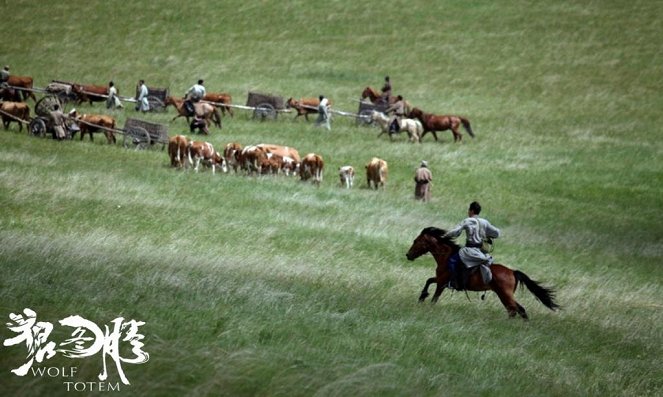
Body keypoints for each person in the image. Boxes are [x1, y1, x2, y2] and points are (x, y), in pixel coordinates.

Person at [443, 201, 501, 290]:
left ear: (472, 211)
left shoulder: (467, 221)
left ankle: (454, 282)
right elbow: (497, 233)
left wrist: (445, 236)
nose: (468, 212)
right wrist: (487, 235)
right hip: (481, 251)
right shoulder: (484, 222)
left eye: (469, 210)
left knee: (452, 261)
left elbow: (455, 232)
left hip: (469, 251)